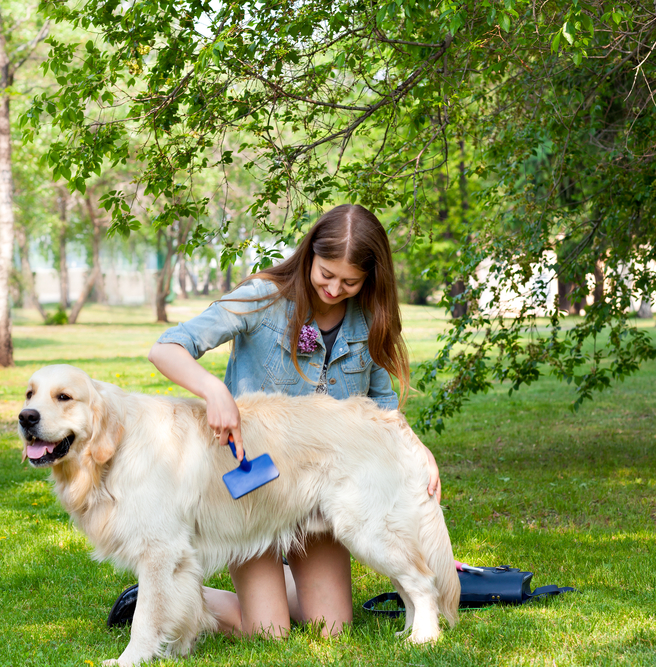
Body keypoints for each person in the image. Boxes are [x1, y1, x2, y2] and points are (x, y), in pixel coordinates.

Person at [113, 204, 441, 639]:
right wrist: (215, 392)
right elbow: (167, 348)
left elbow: (383, 409)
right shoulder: (261, 296)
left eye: (350, 281)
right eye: (326, 274)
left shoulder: (371, 318)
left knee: (332, 628)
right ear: (309, 256)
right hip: (253, 486)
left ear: (370, 278)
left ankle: (217, 590)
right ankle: (164, 594)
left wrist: (417, 451)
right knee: (269, 634)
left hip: (319, 484)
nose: (334, 289)